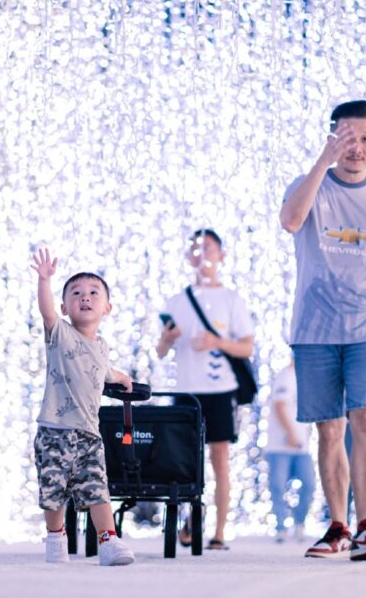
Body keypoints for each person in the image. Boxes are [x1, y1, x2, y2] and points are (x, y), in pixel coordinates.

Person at [279, 100, 366, 561]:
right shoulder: (309, 185)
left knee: (365, 420)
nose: (356, 148)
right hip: (315, 325)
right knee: (329, 428)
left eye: (365, 139)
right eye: (346, 138)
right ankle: (337, 526)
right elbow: (290, 221)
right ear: (331, 138)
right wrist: (322, 162)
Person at [30, 248, 136, 566]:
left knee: (97, 487)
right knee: (54, 488)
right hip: (55, 429)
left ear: (107, 307)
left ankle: (108, 540)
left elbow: (105, 373)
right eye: (76, 294)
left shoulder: (101, 345)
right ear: (66, 306)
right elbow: (47, 313)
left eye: (93, 293)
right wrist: (45, 281)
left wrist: (123, 378)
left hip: (89, 432)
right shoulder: (60, 333)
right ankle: (55, 536)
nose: (85, 298)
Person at [156, 229, 255, 550]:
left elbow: (246, 347)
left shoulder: (231, 299)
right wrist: (167, 339)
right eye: (196, 248)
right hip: (185, 390)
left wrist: (217, 342)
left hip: (221, 389)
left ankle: (220, 531)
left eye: (209, 248)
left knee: (220, 458)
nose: (202, 254)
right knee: (184, 462)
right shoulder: (177, 301)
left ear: (221, 255)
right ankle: (190, 519)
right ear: (189, 257)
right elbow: (159, 351)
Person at [265, 359, 315, 543]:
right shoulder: (286, 376)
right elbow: (280, 405)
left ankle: (299, 523)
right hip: (280, 444)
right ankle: (280, 527)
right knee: (278, 486)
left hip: (302, 446)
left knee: (309, 484)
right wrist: (290, 432)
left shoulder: (307, 378)